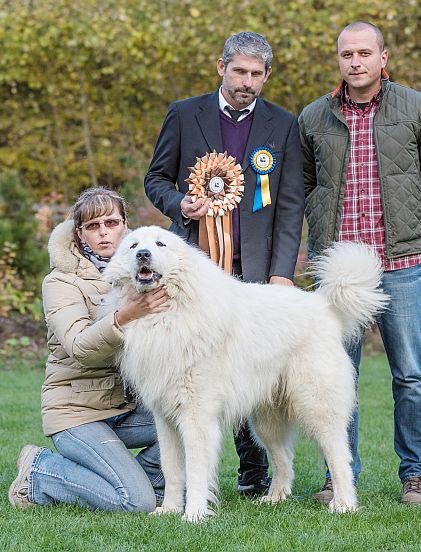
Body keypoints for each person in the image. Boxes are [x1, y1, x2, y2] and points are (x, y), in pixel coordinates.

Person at [298, 22, 421, 505]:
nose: (356, 62)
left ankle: (416, 475)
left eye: (365, 53)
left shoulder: (418, 107)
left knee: (409, 373)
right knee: (335, 374)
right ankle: (339, 476)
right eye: (347, 54)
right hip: (339, 272)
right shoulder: (313, 117)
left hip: (399, 262)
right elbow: (304, 184)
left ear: (383, 57)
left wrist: (412, 224)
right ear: (338, 59)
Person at [144, 32, 304, 496]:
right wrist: (180, 204)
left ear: (267, 76)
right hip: (194, 273)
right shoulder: (183, 113)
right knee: (196, 377)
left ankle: (253, 474)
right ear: (221, 67)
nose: (247, 82)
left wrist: (282, 274)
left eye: (256, 74)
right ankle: (187, 474)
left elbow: (290, 205)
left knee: (246, 372)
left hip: (256, 273)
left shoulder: (283, 124)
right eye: (239, 72)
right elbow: (155, 178)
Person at [8, 188, 167, 511]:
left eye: (111, 222)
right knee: (135, 503)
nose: (104, 232)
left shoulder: (145, 271)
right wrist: (126, 315)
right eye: (93, 226)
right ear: (79, 234)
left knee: (190, 415)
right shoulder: (60, 282)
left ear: (125, 226)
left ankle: (149, 474)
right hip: (76, 413)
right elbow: (80, 346)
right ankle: (40, 471)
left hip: (125, 407)